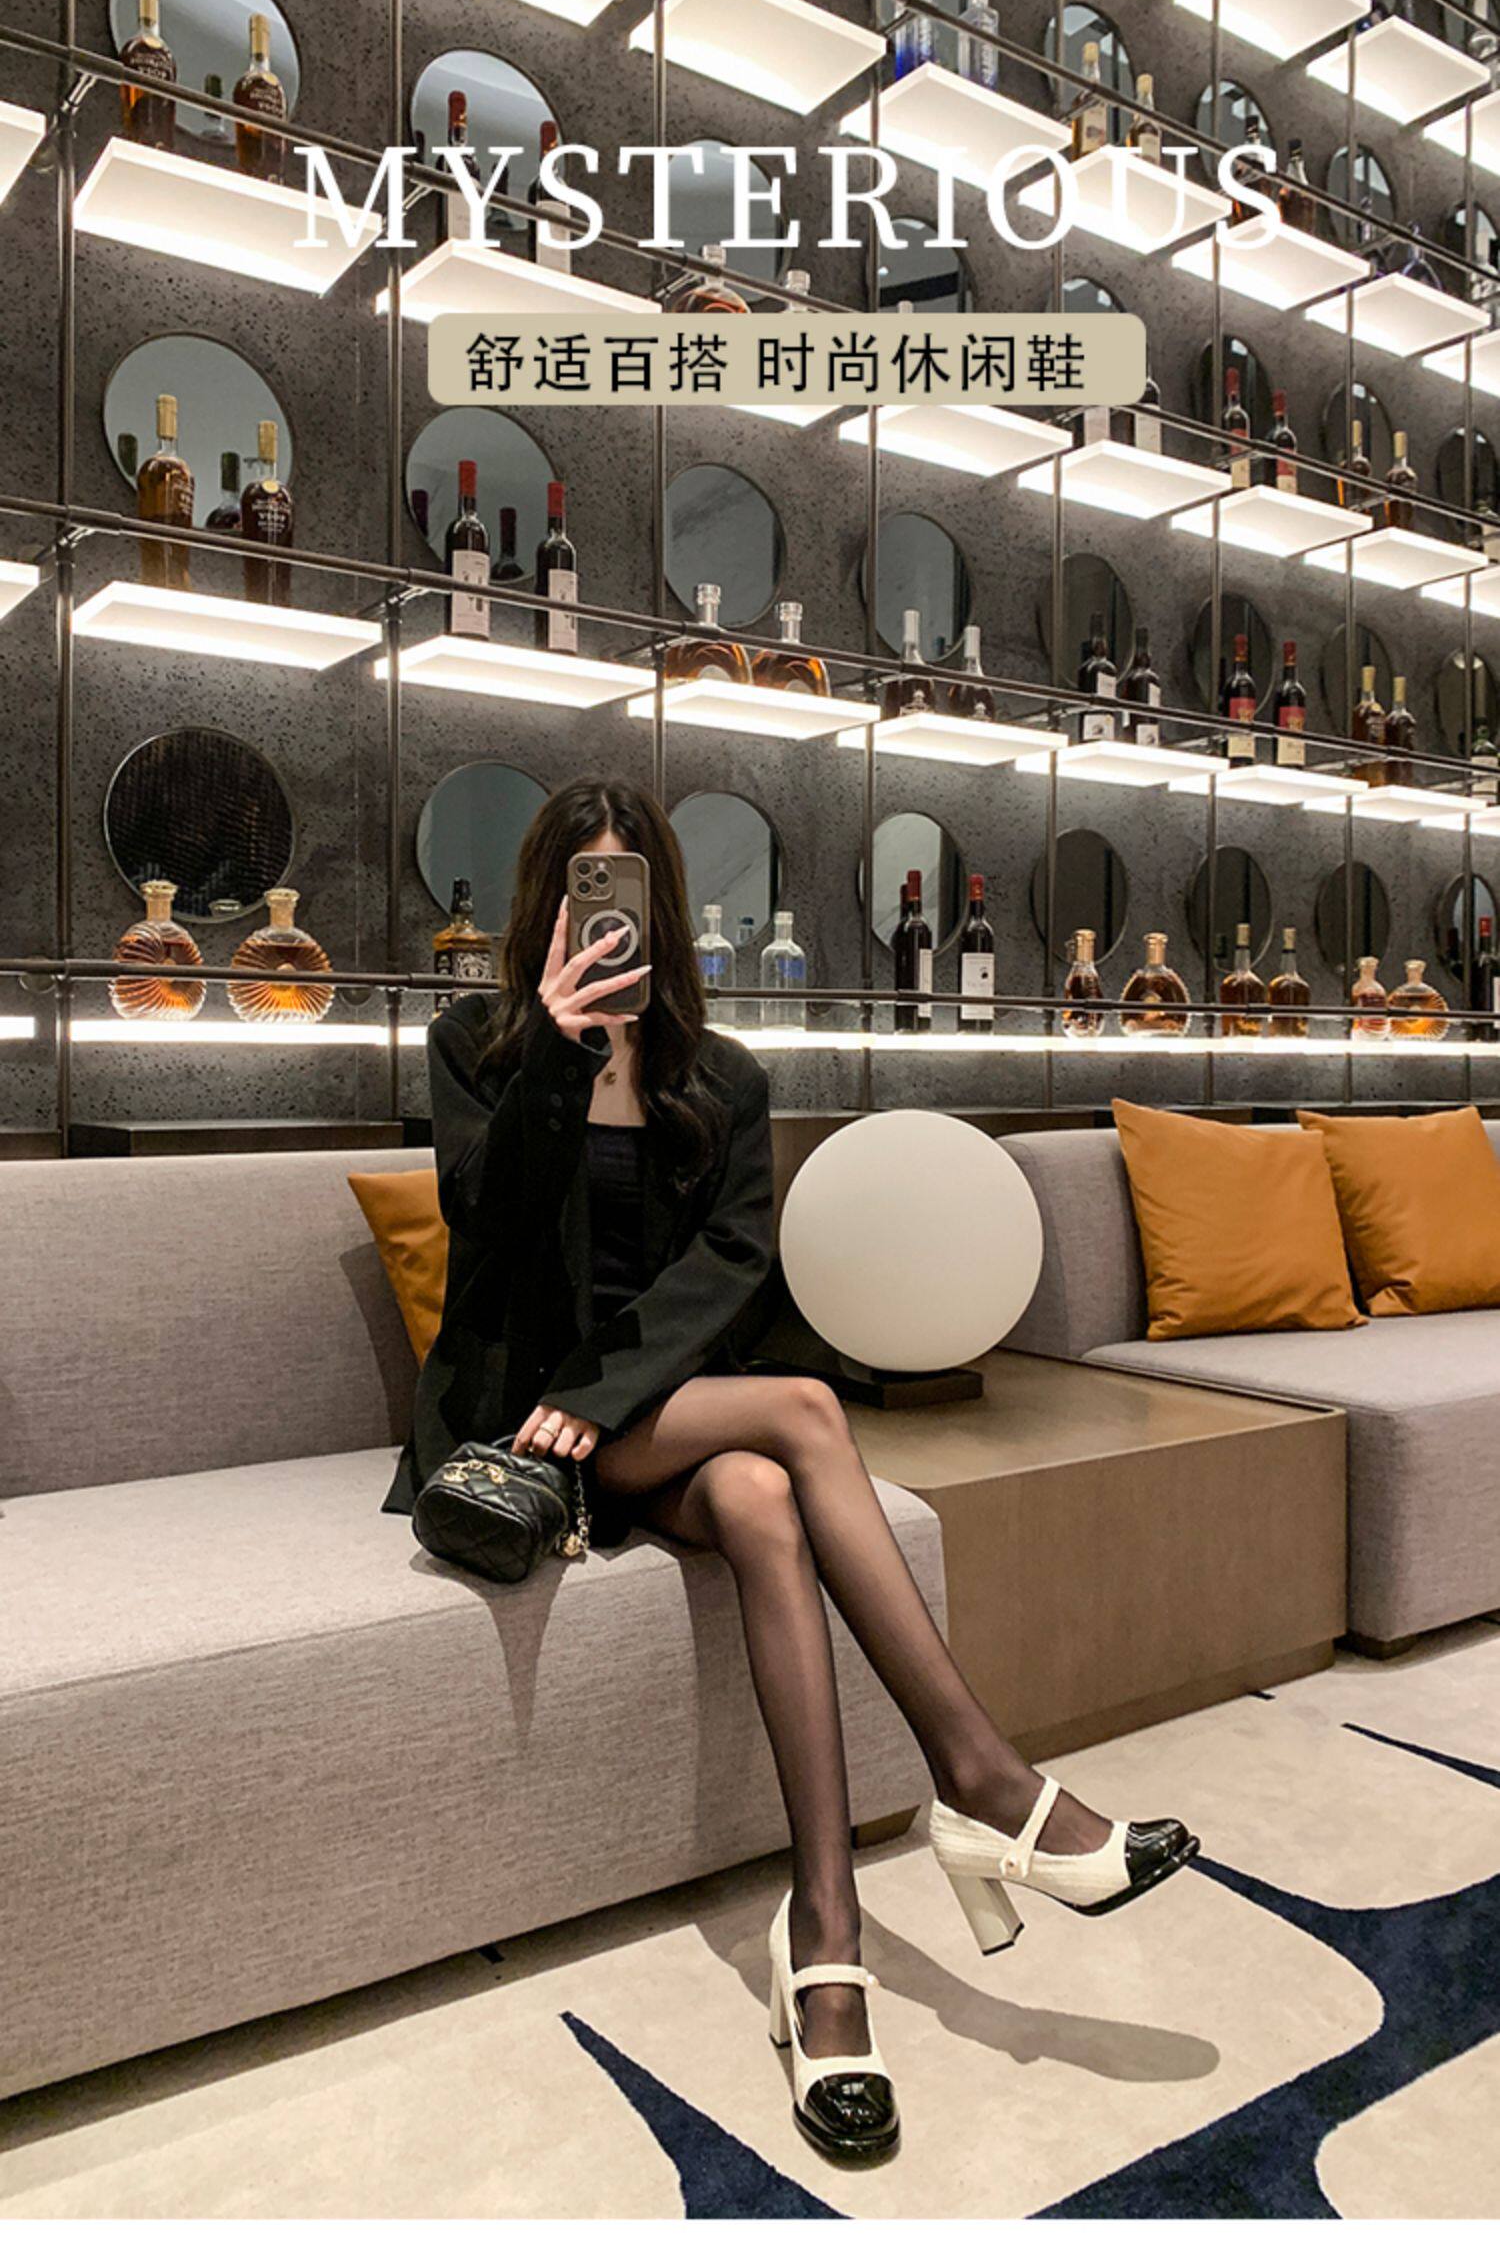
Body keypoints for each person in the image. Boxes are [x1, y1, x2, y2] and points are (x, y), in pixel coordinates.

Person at [386, 779, 1197, 2168]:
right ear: (543, 904)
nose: (607, 911)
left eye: (628, 886)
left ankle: (827, 1935)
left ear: (663, 906)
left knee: (764, 1494)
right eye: (582, 886)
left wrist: (610, 1394)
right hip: (520, 1425)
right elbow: (484, 1227)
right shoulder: (477, 1044)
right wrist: (558, 1061)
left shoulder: (722, 1074)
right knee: (812, 1410)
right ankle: (984, 1780)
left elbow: (731, 1264)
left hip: (641, 1412)